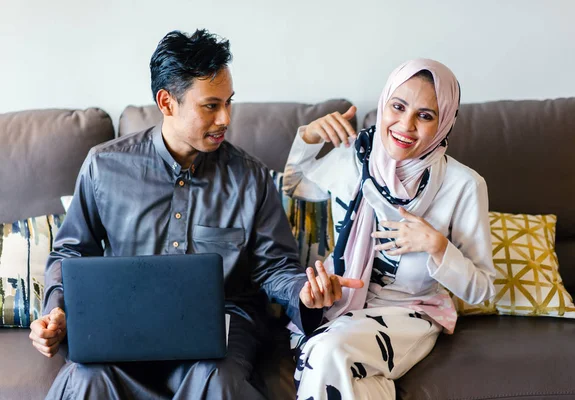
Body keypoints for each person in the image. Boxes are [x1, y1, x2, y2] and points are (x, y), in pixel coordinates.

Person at [28, 29, 362, 400]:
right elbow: (71, 251)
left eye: (229, 103)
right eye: (211, 106)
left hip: (223, 324)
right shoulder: (104, 166)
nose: (225, 118)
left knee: (216, 380)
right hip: (125, 322)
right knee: (84, 380)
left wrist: (305, 294)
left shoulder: (250, 177)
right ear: (167, 102)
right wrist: (56, 311)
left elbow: (275, 266)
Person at [283, 59, 496, 399]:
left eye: (425, 115)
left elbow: (483, 290)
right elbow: (292, 191)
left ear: (444, 123)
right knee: (358, 382)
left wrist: (438, 247)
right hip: (338, 307)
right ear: (384, 104)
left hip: (409, 313)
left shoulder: (464, 186)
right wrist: (308, 137)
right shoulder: (352, 157)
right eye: (398, 107)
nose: (406, 124)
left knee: (322, 350)